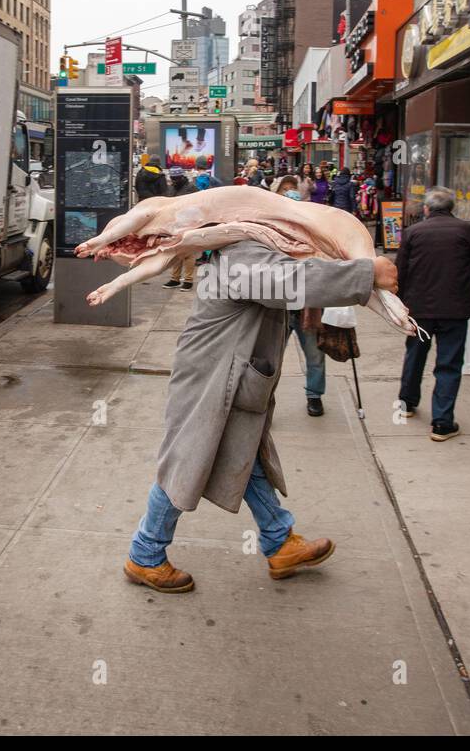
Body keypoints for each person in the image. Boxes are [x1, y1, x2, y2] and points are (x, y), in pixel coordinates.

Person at [123, 242, 400, 593]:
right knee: (186, 461)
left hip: (231, 378)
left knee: (245, 452)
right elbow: (288, 280)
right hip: (211, 380)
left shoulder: (244, 249)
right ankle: (145, 554)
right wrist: (366, 274)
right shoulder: (243, 253)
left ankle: (279, 541)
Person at [395, 187, 470, 441]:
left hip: (420, 307)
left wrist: (400, 303)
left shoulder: (413, 232)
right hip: (455, 309)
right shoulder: (466, 230)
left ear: (426, 209)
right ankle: (442, 422)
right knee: (448, 363)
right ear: (452, 208)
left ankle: (407, 402)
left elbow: (399, 271)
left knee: (415, 355)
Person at [270, 175, 329, 416]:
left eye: (293, 189)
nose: (290, 193)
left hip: (309, 303)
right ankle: (263, 398)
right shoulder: (269, 228)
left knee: (315, 354)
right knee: (270, 359)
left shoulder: (314, 227)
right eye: (285, 190)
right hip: (278, 307)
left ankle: (314, 396)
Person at [162, 168, 198, 291]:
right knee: (175, 251)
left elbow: (198, 205)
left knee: (188, 252)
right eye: (172, 179)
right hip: (174, 223)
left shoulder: (191, 188)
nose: (174, 181)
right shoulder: (171, 188)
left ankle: (188, 280)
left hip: (189, 222)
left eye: (176, 178)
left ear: (182, 177)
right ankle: (175, 279)